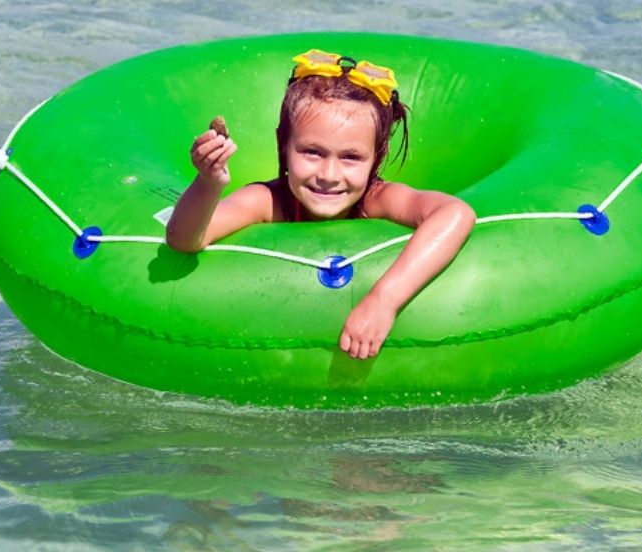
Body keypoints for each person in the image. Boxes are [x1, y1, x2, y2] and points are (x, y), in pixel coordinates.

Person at [166, 49, 476, 359]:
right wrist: (209, 182)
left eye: (351, 157)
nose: (329, 175)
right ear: (283, 146)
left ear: (376, 158)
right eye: (312, 152)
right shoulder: (269, 202)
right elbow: (184, 239)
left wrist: (383, 300)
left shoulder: (376, 200)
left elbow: (455, 213)